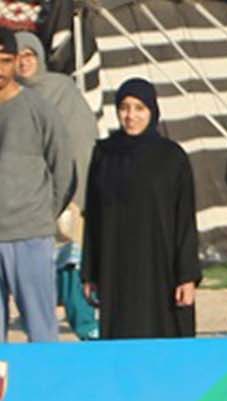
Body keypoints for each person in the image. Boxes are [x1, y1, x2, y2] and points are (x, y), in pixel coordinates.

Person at [82, 79, 197, 340]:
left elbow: (185, 220)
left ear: (152, 111)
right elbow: (94, 217)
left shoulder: (172, 157)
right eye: (124, 107)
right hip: (116, 267)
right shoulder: (105, 154)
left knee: (163, 340)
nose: (130, 116)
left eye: (139, 108)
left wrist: (187, 276)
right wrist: (90, 272)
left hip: (161, 269)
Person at [11, 31, 94, 339]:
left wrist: (73, 192)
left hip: (67, 194)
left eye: (29, 56)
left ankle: (87, 329)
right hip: (26, 206)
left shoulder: (61, 90)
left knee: (71, 265)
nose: (24, 63)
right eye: (17, 58)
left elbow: (82, 142)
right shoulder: (10, 99)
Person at [0, 29, 70, 344]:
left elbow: (63, 165)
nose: (0, 69)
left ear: (16, 62)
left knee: (40, 329)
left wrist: (45, 213)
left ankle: (52, 391)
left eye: (5, 61)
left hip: (30, 232)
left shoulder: (38, 108)